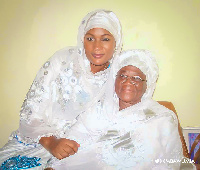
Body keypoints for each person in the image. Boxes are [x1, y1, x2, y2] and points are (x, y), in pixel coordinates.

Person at [0, 9, 123, 169]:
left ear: (116, 42)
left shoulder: (120, 74)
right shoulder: (63, 60)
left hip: (82, 149)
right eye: (90, 38)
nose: (96, 47)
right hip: (39, 140)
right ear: (82, 39)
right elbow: (31, 112)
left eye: (105, 39)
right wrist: (52, 142)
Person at [47, 50, 184, 169]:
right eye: (123, 76)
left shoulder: (161, 119)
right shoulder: (96, 111)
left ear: (147, 85)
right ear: (115, 80)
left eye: (136, 78)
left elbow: (169, 164)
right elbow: (71, 142)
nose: (128, 82)